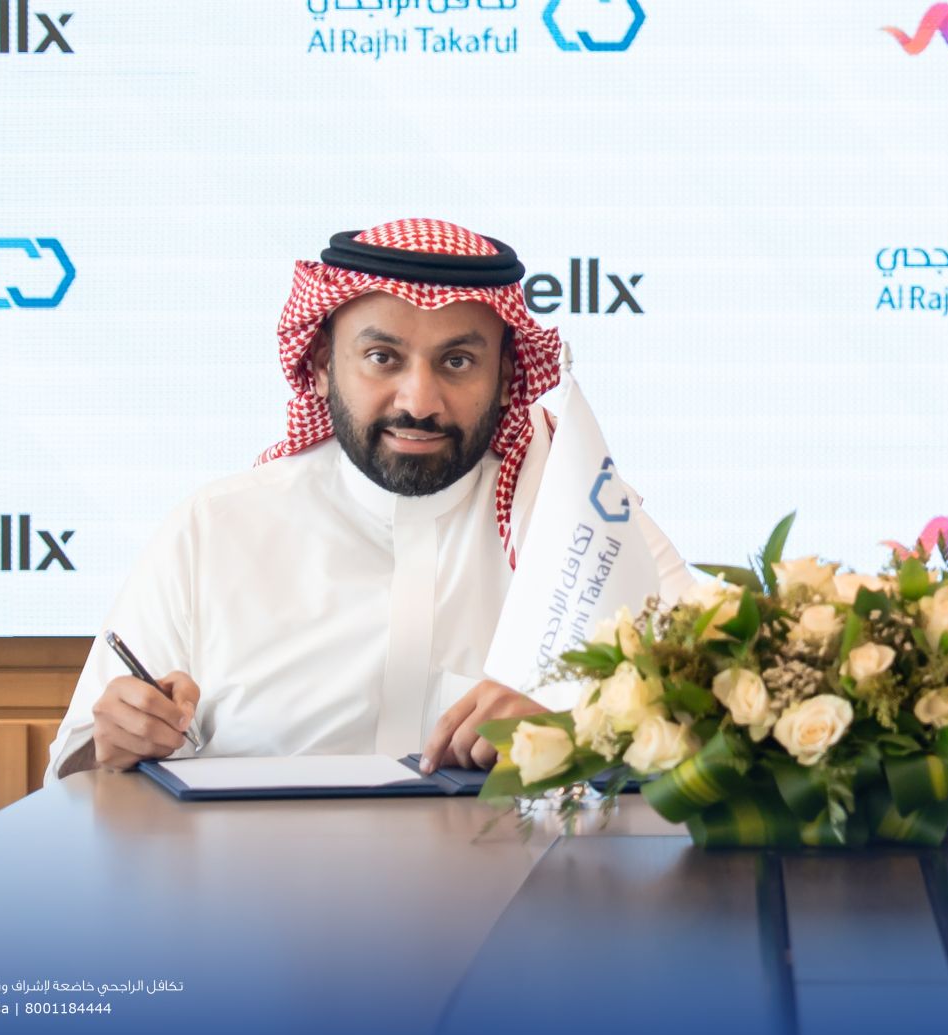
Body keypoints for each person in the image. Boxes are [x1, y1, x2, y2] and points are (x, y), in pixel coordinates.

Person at [47, 219, 688, 780]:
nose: (419, 402)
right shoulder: (213, 529)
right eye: (383, 357)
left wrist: (578, 719)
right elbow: (74, 767)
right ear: (323, 365)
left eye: (457, 362)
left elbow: (714, 703)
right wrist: (116, 741)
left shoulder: (579, 515)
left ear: (505, 377)